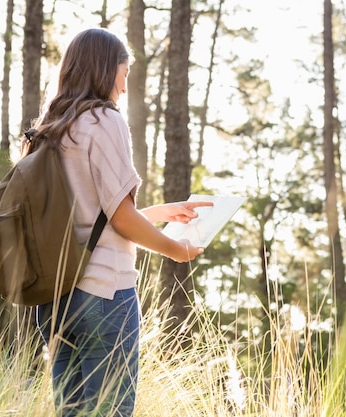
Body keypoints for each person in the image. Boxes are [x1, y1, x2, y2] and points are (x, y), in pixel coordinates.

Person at [25, 28, 212, 416]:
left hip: (55, 300)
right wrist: (177, 249)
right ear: (105, 70)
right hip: (104, 294)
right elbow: (122, 219)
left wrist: (159, 214)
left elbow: (90, 216)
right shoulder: (104, 119)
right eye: (123, 75)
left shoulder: (51, 128)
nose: (124, 90)